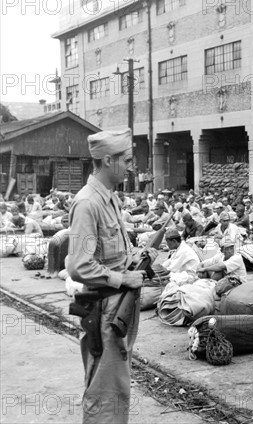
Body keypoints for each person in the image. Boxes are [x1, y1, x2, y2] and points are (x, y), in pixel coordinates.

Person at [66, 129, 158, 422]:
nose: (132, 166)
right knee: (104, 395)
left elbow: (112, 257)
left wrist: (137, 260)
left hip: (118, 309)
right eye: (127, 159)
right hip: (104, 311)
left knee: (116, 390)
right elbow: (78, 265)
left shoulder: (110, 199)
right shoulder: (88, 204)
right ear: (107, 160)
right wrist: (123, 279)